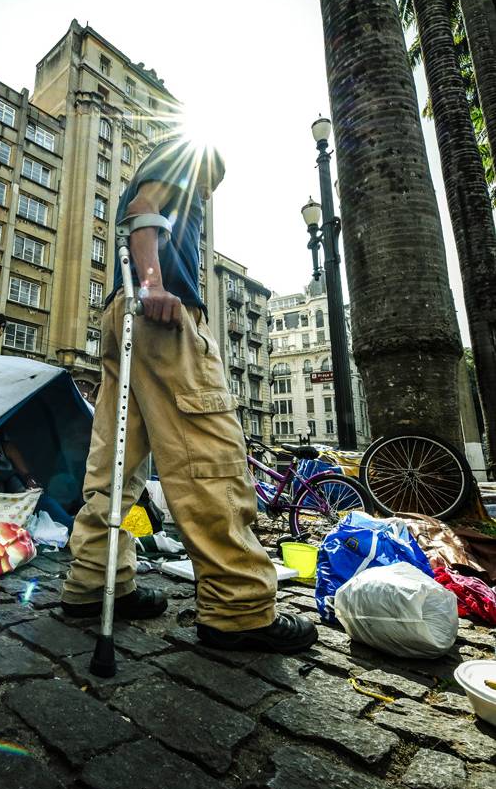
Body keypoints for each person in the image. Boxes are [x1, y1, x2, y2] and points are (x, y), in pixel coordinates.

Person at [61, 137, 317, 653]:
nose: (208, 190)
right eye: (210, 182)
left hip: (124, 316)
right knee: (210, 454)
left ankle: (93, 581)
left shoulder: (161, 175)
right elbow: (143, 210)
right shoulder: (186, 157)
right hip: (161, 316)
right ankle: (238, 605)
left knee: (115, 462)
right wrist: (154, 283)